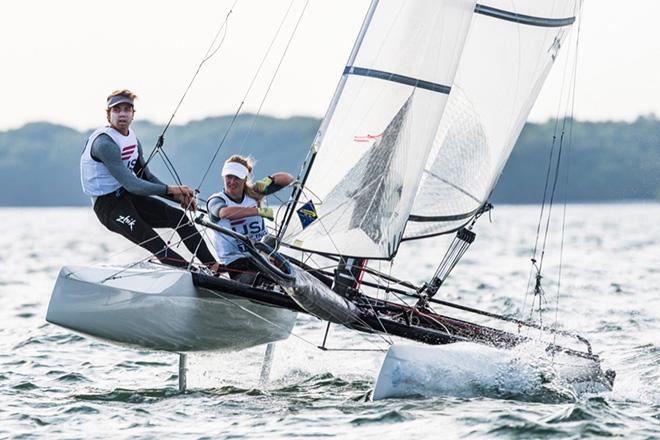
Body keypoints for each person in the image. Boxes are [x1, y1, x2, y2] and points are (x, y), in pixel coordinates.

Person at [80, 89, 219, 270]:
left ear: (133, 114)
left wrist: (177, 197)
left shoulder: (132, 140)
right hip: (108, 206)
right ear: (108, 115)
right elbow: (133, 184)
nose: (122, 114)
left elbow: (147, 177)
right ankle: (192, 275)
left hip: (129, 197)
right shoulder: (104, 144)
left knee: (179, 217)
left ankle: (214, 267)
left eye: (127, 109)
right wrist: (174, 190)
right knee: (155, 243)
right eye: (117, 109)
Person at [206, 155, 293, 283]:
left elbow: (288, 179)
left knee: (298, 271)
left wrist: (268, 180)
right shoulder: (216, 200)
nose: (231, 182)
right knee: (266, 279)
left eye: (237, 178)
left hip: (264, 254)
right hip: (237, 262)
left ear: (244, 179)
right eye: (228, 177)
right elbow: (224, 213)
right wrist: (258, 211)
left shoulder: (253, 194)